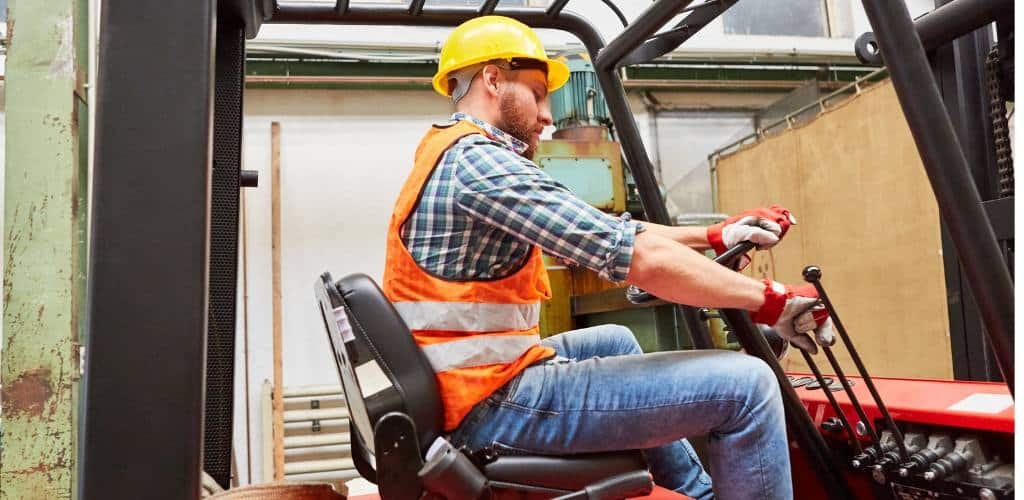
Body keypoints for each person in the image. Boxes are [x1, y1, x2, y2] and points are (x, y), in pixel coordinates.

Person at [382, 16, 833, 500]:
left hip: (475, 387)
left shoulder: (451, 152)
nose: (547, 115)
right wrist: (774, 301)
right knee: (749, 386)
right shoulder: (481, 163)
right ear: (493, 79)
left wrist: (714, 235)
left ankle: (695, 490)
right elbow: (639, 258)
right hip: (489, 404)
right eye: (537, 93)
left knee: (617, 338)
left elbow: (613, 232)